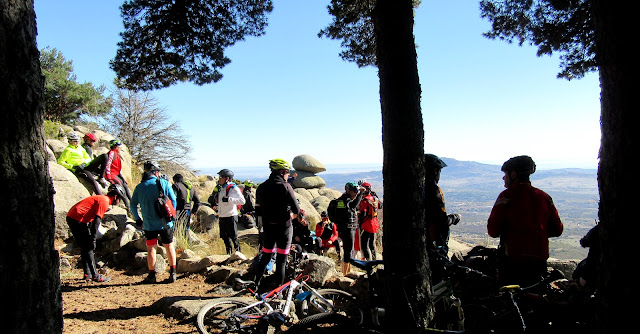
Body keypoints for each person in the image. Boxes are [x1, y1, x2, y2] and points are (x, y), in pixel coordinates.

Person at [487, 155, 564, 286]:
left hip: (512, 262)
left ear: (513, 174)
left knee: (510, 300)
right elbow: (557, 229)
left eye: (505, 174)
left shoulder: (506, 197)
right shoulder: (544, 197)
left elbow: (493, 230)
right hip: (538, 262)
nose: (503, 178)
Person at [253, 158, 301, 289]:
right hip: (284, 228)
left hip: (268, 228)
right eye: (288, 173)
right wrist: (291, 214)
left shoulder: (261, 187)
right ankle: (278, 290)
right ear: (282, 172)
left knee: (266, 257)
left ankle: (255, 285)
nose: (288, 175)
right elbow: (296, 209)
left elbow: (257, 210)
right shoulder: (286, 187)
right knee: (281, 260)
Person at [130, 160, 178, 284]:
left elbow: (133, 205)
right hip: (165, 223)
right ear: (156, 172)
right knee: (169, 246)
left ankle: (152, 275)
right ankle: (173, 273)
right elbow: (173, 200)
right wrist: (171, 215)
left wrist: (137, 218)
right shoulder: (164, 183)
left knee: (151, 248)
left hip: (149, 224)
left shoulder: (140, 187)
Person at [66, 184, 126, 283]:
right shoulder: (105, 201)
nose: (119, 201)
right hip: (77, 219)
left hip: (75, 218)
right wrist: (93, 238)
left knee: (85, 247)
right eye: (119, 199)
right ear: (115, 197)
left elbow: (92, 219)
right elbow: (96, 222)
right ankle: (95, 275)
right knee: (88, 247)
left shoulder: (102, 199)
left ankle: (87, 274)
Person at [328, 181, 364, 275]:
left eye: (356, 191)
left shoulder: (343, 199)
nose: (355, 193)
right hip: (347, 228)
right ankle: (345, 272)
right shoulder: (345, 200)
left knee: (348, 249)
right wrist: (361, 193)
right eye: (354, 191)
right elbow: (353, 205)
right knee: (348, 250)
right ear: (348, 190)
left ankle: (347, 270)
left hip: (347, 228)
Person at [211, 169, 245, 254]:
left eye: (221, 177)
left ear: (227, 178)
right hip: (222, 216)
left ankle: (238, 254)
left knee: (234, 237)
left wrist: (229, 199)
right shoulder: (222, 188)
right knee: (225, 237)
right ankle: (228, 254)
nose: (219, 179)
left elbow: (242, 201)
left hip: (231, 216)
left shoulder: (233, 188)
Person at [103, 139, 132, 207]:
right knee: (120, 186)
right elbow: (107, 165)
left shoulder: (117, 154)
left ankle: (132, 201)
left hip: (116, 174)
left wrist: (122, 178)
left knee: (125, 185)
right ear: (116, 147)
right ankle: (127, 206)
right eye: (119, 147)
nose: (120, 148)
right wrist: (109, 178)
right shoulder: (111, 153)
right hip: (111, 174)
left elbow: (117, 169)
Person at [358, 182, 379, 261]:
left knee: (364, 245)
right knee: (372, 244)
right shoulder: (375, 199)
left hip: (366, 225)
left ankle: (369, 263)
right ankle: (374, 260)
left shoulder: (364, 200)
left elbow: (363, 213)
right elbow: (380, 206)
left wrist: (360, 222)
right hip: (374, 223)